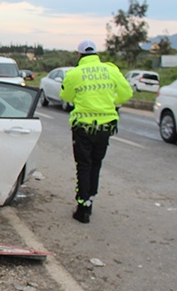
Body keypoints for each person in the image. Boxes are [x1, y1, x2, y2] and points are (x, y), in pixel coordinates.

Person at [60, 40, 132, 224]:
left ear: (79, 55)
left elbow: (66, 96)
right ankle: (90, 198)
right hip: (105, 127)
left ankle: (83, 209)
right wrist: (110, 99)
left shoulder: (74, 73)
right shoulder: (111, 70)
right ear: (96, 54)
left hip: (83, 127)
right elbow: (126, 94)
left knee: (83, 165)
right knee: (96, 164)